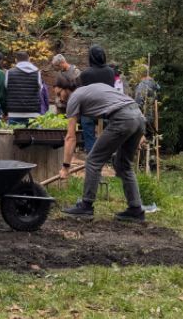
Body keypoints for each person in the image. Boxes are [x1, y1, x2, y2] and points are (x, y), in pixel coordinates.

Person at [58, 81, 146, 222]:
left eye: (59, 93)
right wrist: (140, 132)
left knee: (93, 160)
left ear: (67, 89)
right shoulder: (95, 88)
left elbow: (70, 137)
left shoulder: (74, 97)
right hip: (138, 117)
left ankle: (86, 206)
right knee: (124, 164)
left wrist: (65, 167)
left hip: (123, 119)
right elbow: (124, 103)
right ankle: (136, 209)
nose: (60, 99)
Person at [78, 45, 115, 153]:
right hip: (107, 109)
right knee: (107, 133)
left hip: (90, 110)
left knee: (86, 124)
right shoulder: (110, 71)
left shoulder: (86, 74)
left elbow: (84, 93)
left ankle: (91, 152)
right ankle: (107, 153)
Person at [5, 51, 43, 126]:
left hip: (14, 112)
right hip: (33, 113)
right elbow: (40, 89)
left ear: (16, 60)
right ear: (28, 59)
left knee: (13, 137)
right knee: (35, 136)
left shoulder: (9, 72)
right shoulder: (37, 72)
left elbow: (6, 88)